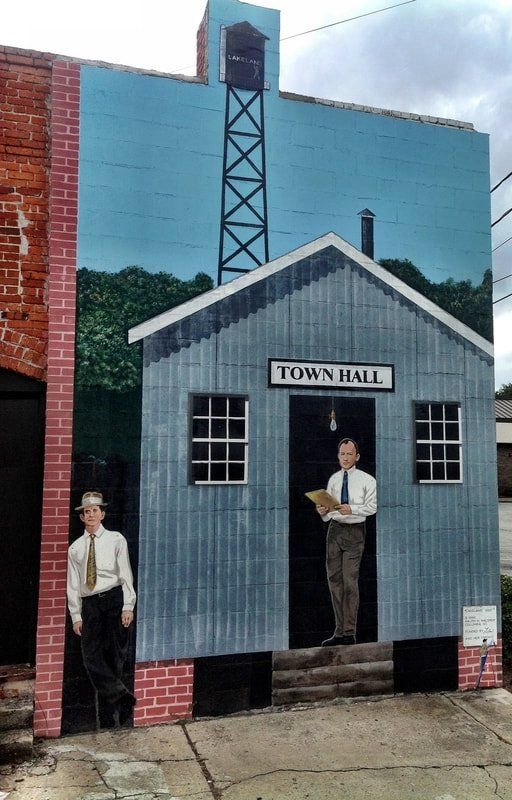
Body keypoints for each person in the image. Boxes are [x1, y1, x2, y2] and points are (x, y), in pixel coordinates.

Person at [67, 491, 136, 727]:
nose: (91, 514)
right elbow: (73, 584)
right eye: (87, 511)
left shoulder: (117, 539)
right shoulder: (75, 549)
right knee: (91, 658)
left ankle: (109, 718)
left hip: (114, 601)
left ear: (102, 514)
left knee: (114, 658)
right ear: (82, 517)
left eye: (95, 510)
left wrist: (128, 605)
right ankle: (123, 697)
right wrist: (76, 615)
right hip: (91, 605)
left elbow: (126, 575)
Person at [315, 438, 377, 647]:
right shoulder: (333, 479)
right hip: (334, 531)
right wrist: (322, 511)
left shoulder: (367, 480)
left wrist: (353, 509)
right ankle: (339, 632)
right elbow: (329, 509)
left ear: (356, 457)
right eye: (342, 454)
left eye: (349, 454)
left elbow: (372, 507)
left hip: (354, 531)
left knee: (350, 581)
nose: (345, 457)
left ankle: (350, 632)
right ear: (338, 456)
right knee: (334, 582)